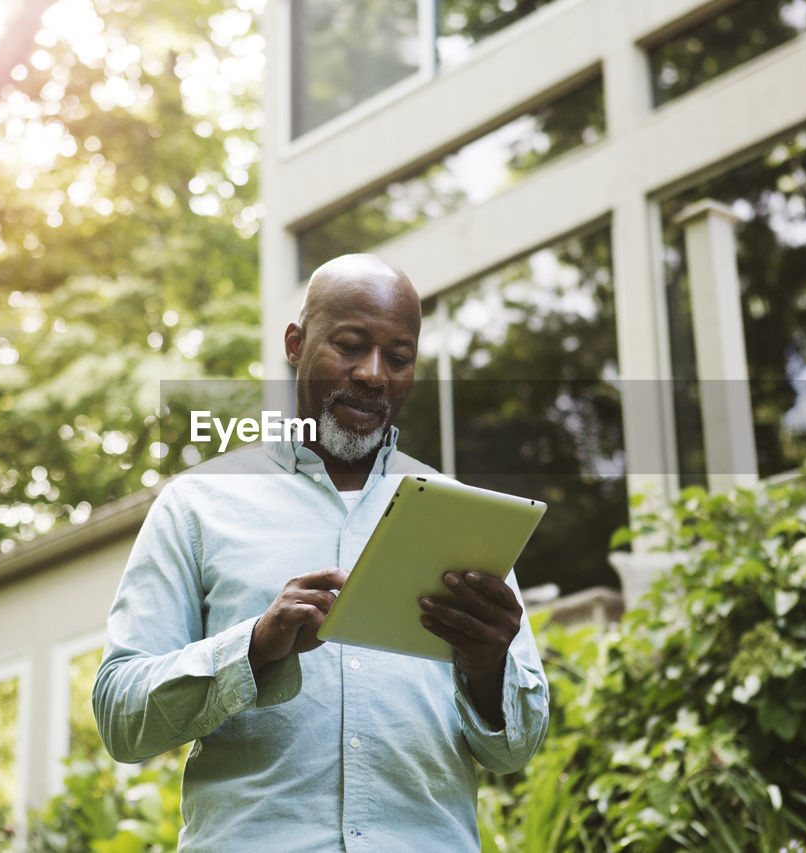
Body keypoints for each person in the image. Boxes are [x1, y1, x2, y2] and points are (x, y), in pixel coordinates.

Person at [93, 253, 549, 851]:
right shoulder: (196, 507)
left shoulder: (463, 519)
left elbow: (514, 748)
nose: (373, 374)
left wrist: (489, 667)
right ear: (294, 343)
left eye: (400, 357)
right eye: (350, 345)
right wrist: (253, 647)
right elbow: (121, 717)